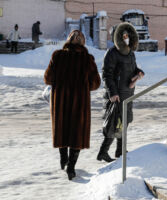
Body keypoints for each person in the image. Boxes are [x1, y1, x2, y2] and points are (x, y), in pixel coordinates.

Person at [44, 30, 101, 180]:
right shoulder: (87, 59)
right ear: (82, 42)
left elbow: (48, 78)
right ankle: (71, 167)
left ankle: (63, 158)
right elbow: (96, 84)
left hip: (60, 101)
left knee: (62, 129)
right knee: (77, 132)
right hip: (79, 102)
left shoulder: (57, 56)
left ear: (68, 41)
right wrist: (82, 85)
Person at [97, 22, 144, 162]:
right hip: (116, 95)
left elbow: (134, 69)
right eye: (123, 35)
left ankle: (120, 150)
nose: (126, 38)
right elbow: (107, 75)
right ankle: (103, 152)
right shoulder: (112, 53)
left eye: (128, 35)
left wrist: (140, 73)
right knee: (114, 123)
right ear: (118, 37)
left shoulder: (130, 53)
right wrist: (112, 93)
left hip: (128, 93)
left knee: (124, 122)